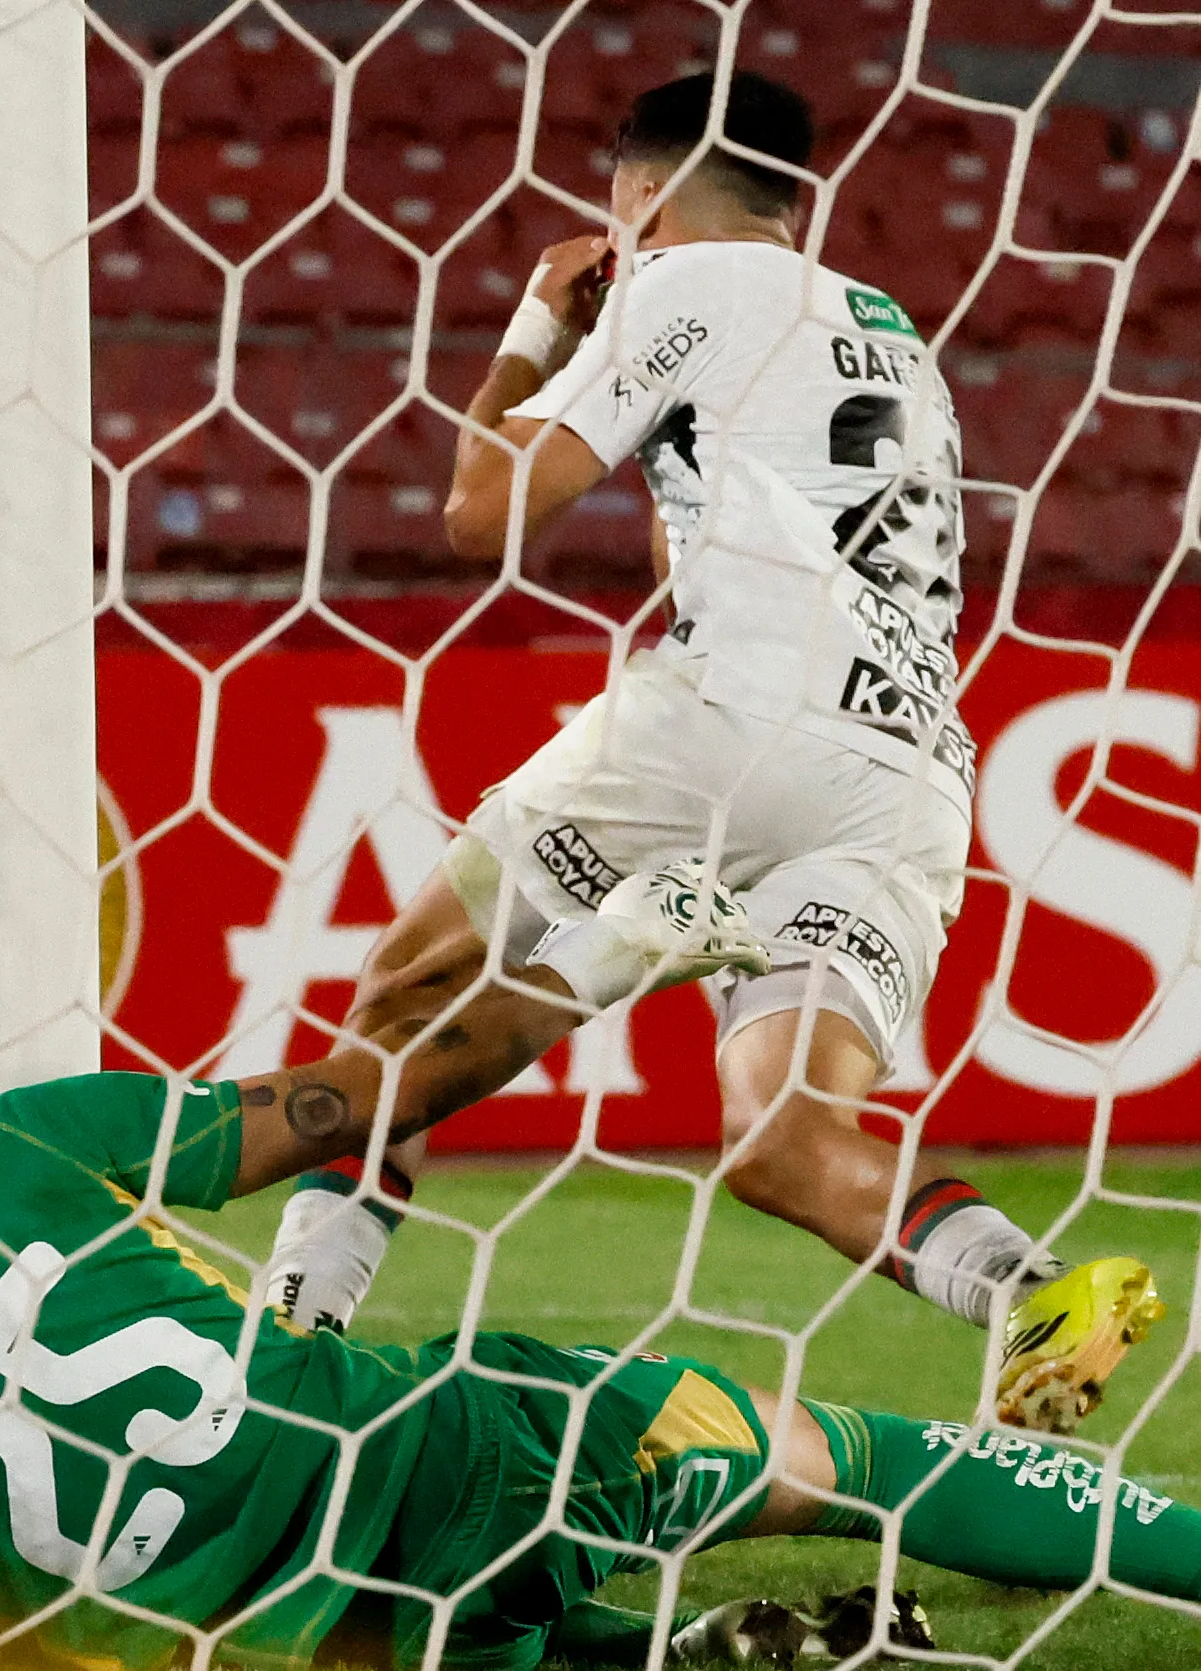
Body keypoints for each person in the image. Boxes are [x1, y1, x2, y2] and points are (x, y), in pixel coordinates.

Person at [259, 70, 1160, 1435]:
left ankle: (289, 1337)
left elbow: (478, 513)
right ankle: (1035, 1290)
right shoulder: (889, 332)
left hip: (732, 715)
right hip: (906, 768)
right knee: (778, 1137)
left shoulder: (679, 284)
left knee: (402, 1006)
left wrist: (526, 343)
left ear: (639, 192)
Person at [0, 1027, 1201, 1669]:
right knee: (840, 1455)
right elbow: (325, 1110)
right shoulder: (3, 1149)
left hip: (315, 1646)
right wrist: (503, 1012)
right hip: (438, 1452)